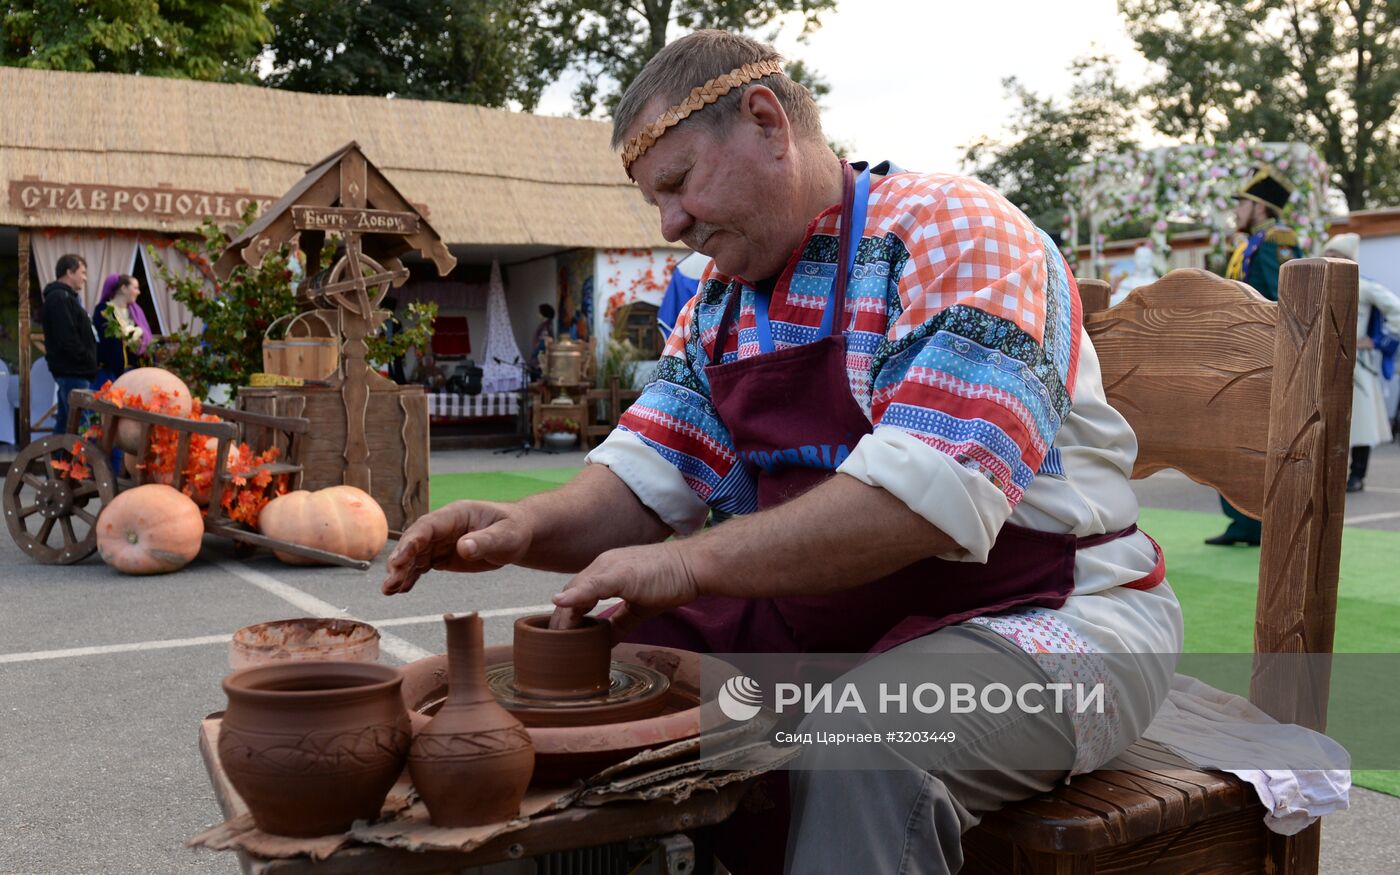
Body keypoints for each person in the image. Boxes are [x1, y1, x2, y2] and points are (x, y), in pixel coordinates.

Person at [382, 31, 1180, 875]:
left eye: (679, 184)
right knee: (604, 678)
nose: (671, 224)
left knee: (869, 739)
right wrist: (520, 523)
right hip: (842, 615)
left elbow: (922, 500)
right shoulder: (723, 303)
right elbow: (645, 476)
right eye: (655, 201)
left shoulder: (959, 230)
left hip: (1062, 621)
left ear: (766, 120)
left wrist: (690, 567)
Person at [1207, 163, 1299, 546]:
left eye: (1242, 203)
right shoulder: (1252, 242)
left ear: (1260, 208)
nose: (1237, 210)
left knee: (1248, 440)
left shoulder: (1272, 241)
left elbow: (1282, 298)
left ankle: (1253, 522)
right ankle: (1244, 521)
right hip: (1243, 350)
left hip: (1259, 353)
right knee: (1234, 437)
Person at [1323, 233, 1400, 492]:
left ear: (1347, 258)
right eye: (1328, 253)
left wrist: (1377, 341)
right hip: (1326, 360)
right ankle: (1329, 474)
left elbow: (1396, 309)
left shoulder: (1364, 286)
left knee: (1361, 421)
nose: (1330, 258)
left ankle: (1357, 475)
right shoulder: (1321, 285)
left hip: (1357, 362)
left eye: (1335, 254)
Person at [40, 253, 98, 434]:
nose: (85, 278)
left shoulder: (66, 297)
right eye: (82, 272)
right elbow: (66, 338)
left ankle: (59, 461)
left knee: (67, 423)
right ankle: (77, 462)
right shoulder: (59, 298)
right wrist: (85, 357)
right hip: (73, 370)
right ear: (69, 272)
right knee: (80, 425)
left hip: (75, 370)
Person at [92, 273, 153, 387]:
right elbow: (108, 341)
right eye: (135, 288)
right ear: (124, 288)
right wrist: (126, 340)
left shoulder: (136, 312)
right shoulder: (104, 310)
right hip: (110, 373)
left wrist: (140, 341)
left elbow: (146, 335)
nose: (138, 292)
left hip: (134, 372)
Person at [529, 303, 555, 377]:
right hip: (540, 359)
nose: (538, 315)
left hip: (540, 360)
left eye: (539, 312)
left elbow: (544, 343)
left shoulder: (545, 327)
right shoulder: (546, 325)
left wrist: (535, 353)